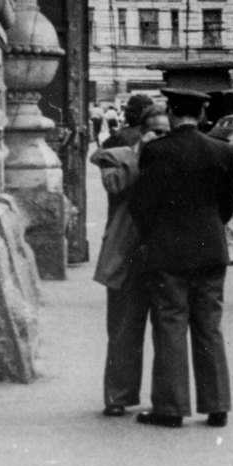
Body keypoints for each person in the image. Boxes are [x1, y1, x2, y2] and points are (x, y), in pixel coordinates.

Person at [127, 88, 233, 429]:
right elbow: (227, 203)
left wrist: (153, 235)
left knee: (170, 325)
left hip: (169, 250)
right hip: (211, 248)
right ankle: (217, 405)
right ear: (201, 114)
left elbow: (142, 204)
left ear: (173, 111)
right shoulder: (224, 150)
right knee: (209, 326)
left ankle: (171, 408)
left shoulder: (156, 151)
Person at [89, 103, 170, 416]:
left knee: (167, 330)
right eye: (156, 132)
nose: (162, 138)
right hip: (127, 254)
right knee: (123, 329)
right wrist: (142, 156)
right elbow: (113, 184)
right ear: (142, 131)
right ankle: (118, 397)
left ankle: (165, 400)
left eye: (167, 132)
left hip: (166, 252)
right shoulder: (119, 156)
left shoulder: (177, 158)